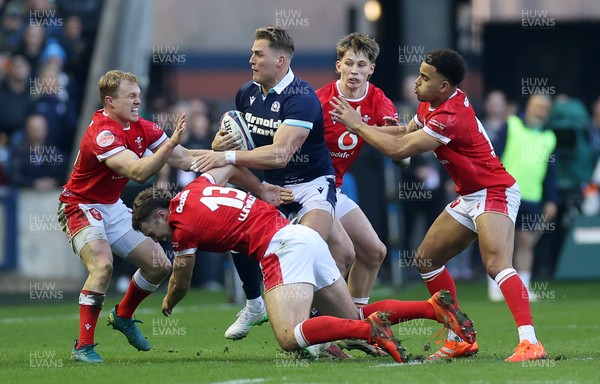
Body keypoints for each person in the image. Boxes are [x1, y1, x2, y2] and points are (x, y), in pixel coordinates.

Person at [130, 164, 477, 363]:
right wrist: (260, 187)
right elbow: (229, 166)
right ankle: (432, 308)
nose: (155, 238)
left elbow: (182, 279)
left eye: (151, 230)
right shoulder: (195, 188)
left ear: (161, 214)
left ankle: (368, 331)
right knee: (349, 317)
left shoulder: (181, 227)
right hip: (304, 237)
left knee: (289, 337)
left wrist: (168, 301)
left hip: (281, 248)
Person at [330, 49, 546, 362]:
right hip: (470, 195)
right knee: (426, 259)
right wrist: (358, 127)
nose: (417, 82)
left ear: (444, 87)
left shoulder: (450, 116)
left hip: (494, 190)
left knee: (496, 264)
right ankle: (458, 337)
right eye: (419, 74)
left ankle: (531, 342)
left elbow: (402, 148)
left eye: (425, 77)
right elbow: (403, 132)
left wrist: (358, 126)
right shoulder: (432, 102)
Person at [194, 25, 354, 342]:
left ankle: (314, 325)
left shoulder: (302, 98)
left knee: (308, 247)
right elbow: (237, 144)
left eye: (258, 54)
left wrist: (227, 157)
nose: (250, 59)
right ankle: (256, 305)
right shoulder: (246, 94)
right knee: (237, 231)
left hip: (311, 187)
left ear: (280, 60)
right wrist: (220, 143)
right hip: (269, 186)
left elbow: (280, 154)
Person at [56, 70, 202, 363]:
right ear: (110, 101)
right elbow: (138, 172)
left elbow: (185, 159)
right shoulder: (103, 133)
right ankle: (83, 347)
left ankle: (122, 315)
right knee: (102, 266)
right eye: (131, 96)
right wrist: (170, 143)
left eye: (138, 95)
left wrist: (226, 154)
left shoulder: (141, 126)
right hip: (81, 206)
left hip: (111, 205)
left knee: (160, 265)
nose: (138, 101)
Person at [315, 33, 394, 311]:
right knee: (343, 253)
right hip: (310, 188)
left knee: (374, 252)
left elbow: (395, 138)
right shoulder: (319, 101)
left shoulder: (377, 99)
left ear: (371, 69)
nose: (354, 71)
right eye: (349, 63)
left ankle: (356, 320)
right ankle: (320, 327)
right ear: (338, 66)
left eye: (362, 65)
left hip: (334, 189)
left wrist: (362, 126)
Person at [487, 94, 557, 302]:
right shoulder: (512, 125)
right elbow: (493, 154)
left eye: (545, 107)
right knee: (501, 243)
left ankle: (523, 287)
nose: (540, 111)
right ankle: (496, 287)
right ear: (529, 106)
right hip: (505, 193)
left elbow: (551, 173)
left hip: (532, 197)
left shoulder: (549, 137)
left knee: (526, 243)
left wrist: (551, 199)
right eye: (537, 106)